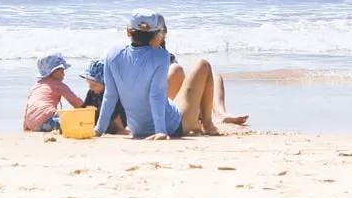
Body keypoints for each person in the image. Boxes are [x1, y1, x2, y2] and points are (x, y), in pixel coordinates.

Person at [94, 10, 220, 139]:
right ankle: (208, 125)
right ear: (156, 34)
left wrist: (99, 130)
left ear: (128, 31)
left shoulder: (113, 55)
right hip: (172, 126)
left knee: (175, 73)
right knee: (203, 65)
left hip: (137, 129)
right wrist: (161, 131)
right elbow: (156, 95)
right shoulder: (160, 56)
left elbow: (110, 95)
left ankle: (195, 121)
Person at [159, 15, 249, 126]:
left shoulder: (167, 56)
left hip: (171, 99)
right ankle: (204, 117)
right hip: (163, 105)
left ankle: (220, 114)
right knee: (177, 72)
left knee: (215, 77)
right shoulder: (150, 57)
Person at [23, 53, 84, 132]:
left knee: (58, 115)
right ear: (54, 71)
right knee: (74, 120)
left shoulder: (35, 86)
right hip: (47, 121)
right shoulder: (58, 85)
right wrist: (87, 112)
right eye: (62, 71)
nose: (64, 74)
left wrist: (26, 127)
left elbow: (28, 108)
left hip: (32, 124)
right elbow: (76, 102)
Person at [80, 59, 129, 135]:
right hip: (100, 119)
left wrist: (122, 128)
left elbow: (113, 111)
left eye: (94, 85)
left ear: (106, 83)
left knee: (111, 106)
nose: (91, 87)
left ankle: (121, 129)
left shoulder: (111, 94)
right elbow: (84, 107)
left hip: (114, 121)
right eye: (89, 84)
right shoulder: (91, 92)